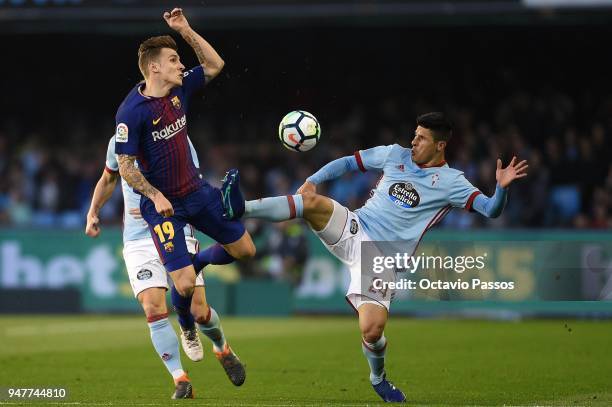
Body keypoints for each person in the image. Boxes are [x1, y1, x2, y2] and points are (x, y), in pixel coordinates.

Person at [222, 112, 528, 402]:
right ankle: (241, 208)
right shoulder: (396, 155)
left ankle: (377, 377)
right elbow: (348, 162)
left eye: (421, 138)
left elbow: (490, 209)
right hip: (355, 227)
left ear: (440, 145)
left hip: (380, 258)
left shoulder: (452, 183)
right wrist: (314, 179)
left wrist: (501, 189)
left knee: (372, 329)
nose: (414, 142)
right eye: (414, 135)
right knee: (311, 202)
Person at [113, 7, 256, 396]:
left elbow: (214, 63)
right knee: (185, 284)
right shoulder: (131, 113)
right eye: (174, 60)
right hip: (163, 208)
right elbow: (124, 166)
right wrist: (155, 195)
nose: (181, 65)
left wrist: (184, 30)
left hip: (197, 193)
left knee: (244, 249)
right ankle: (187, 335)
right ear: (154, 68)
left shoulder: (178, 90)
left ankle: (197, 306)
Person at [86, 135, 245, 398]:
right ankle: (181, 380)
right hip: (138, 238)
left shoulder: (176, 135)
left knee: (199, 310)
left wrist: (156, 201)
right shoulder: (118, 141)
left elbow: (192, 183)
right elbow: (108, 179)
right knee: (153, 307)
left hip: (175, 226)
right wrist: (93, 211)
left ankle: (222, 347)